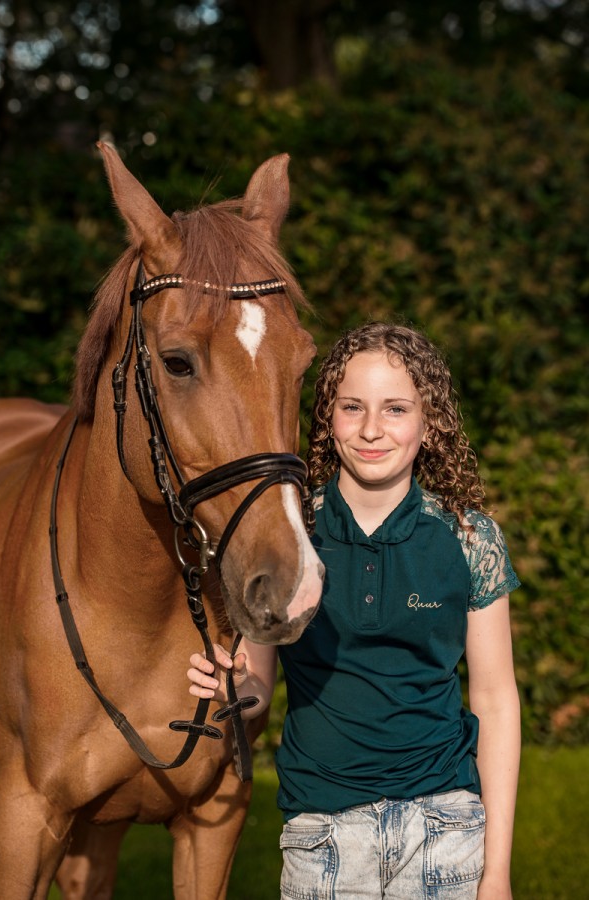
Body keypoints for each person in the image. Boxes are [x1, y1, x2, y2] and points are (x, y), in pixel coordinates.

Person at [188, 321, 521, 899]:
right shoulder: (290, 541)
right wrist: (233, 690)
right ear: (327, 418)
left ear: (428, 421)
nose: (371, 429)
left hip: (446, 830)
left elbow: (495, 700)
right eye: (352, 407)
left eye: (396, 409)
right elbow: (258, 689)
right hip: (323, 838)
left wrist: (497, 873)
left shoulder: (470, 538)